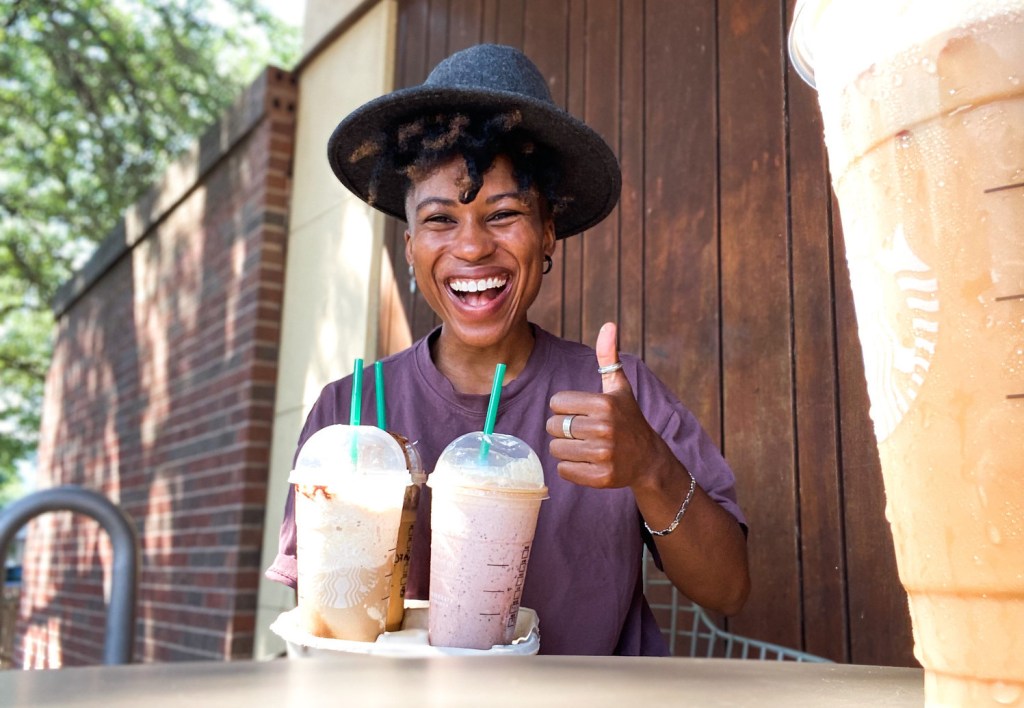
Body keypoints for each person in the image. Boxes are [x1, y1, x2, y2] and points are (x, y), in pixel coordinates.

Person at [266, 43, 750, 656]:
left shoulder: (616, 395)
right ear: (410, 244)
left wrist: (651, 466)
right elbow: (318, 636)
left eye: (504, 214)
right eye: (441, 220)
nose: (471, 248)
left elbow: (730, 590)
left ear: (547, 233)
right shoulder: (351, 411)